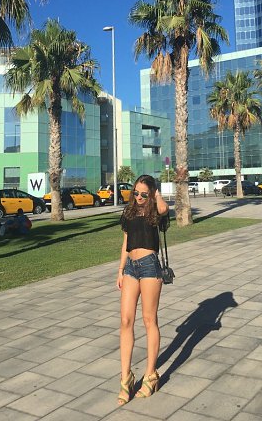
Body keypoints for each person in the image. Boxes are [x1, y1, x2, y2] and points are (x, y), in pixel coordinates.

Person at [116, 174, 169, 406]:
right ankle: (125, 378)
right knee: (126, 320)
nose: (138, 197)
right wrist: (120, 269)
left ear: (152, 194)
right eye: (135, 193)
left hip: (149, 267)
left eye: (143, 194)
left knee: (149, 320)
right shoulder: (129, 212)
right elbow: (125, 242)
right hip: (130, 267)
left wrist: (156, 195)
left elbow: (165, 209)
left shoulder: (155, 211)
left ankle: (150, 375)